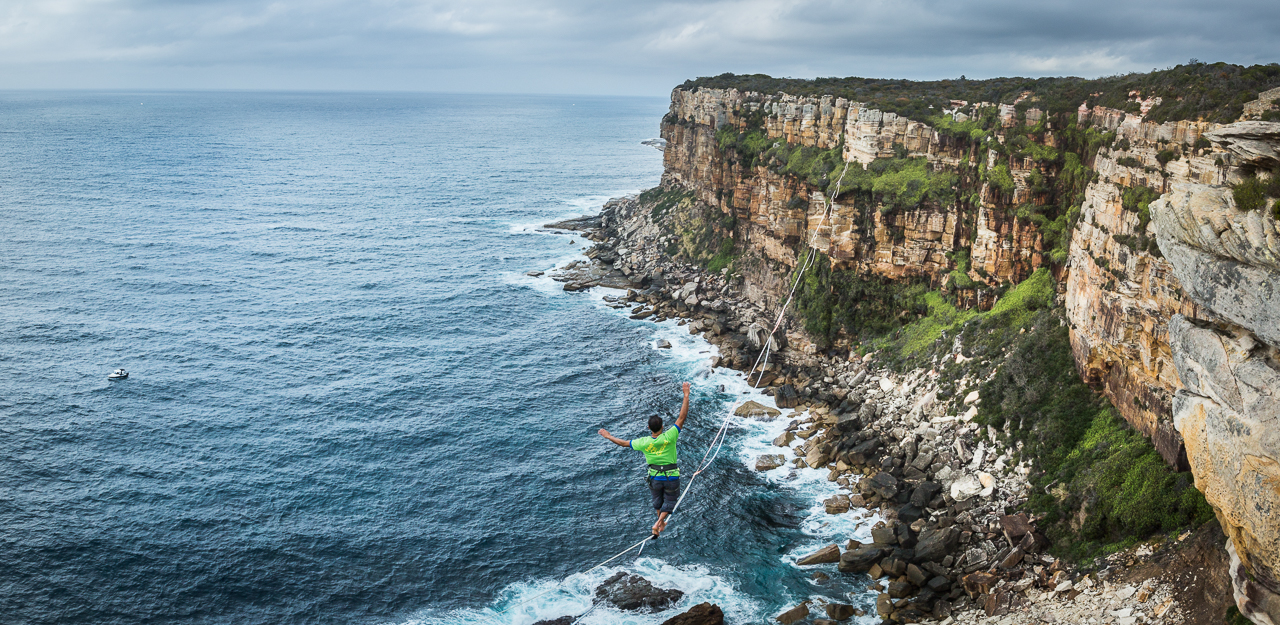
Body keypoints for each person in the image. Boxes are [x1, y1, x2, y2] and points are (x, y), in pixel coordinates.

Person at [599, 382, 690, 538]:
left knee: (657, 502)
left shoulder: (643, 442)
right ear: (663, 426)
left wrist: (608, 436)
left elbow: (623, 443)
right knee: (670, 502)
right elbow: (682, 417)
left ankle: (660, 523)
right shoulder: (670, 436)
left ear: (649, 428)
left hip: (654, 477)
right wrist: (686, 395)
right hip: (671, 476)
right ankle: (658, 523)